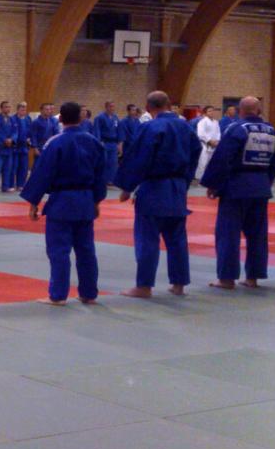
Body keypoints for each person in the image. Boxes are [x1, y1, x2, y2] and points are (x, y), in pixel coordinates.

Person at [20, 101, 107, 306]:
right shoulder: (94, 142)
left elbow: (43, 173)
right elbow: (101, 175)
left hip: (62, 201)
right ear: (81, 117)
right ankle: (89, 293)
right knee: (86, 249)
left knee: (59, 250)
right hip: (85, 200)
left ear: (60, 118)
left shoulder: (55, 143)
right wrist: (97, 200)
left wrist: (34, 202)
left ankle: (58, 295)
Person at [114, 91, 200, 298]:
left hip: (154, 187)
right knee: (177, 238)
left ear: (148, 107)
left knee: (147, 238)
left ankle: (144, 286)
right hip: (177, 188)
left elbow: (139, 159)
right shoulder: (186, 127)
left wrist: (127, 187)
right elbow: (196, 153)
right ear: (169, 104)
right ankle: (179, 284)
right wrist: (185, 180)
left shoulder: (150, 127)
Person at [200, 96, 275, 290]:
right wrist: (266, 182)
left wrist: (213, 184)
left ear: (240, 111)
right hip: (261, 187)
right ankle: (253, 277)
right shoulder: (272, 131)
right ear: (259, 111)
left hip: (236, 187)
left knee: (228, 233)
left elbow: (223, 158)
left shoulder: (236, 129)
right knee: (257, 234)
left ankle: (227, 279)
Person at [0, 101, 17, 193]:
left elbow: (15, 132)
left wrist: (11, 139)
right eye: (5, 107)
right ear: (1, 108)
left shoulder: (12, 119)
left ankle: (5, 186)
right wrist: (4, 140)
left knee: (7, 169)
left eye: (9, 107)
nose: (8, 109)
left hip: (9, 148)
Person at [95, 101, 121, 184]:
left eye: (113, 106)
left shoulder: (115, 117)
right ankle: (103, 179)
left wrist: (119, 143)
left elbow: (119, 130)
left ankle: (111, 179)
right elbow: (97, 130)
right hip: (104, 142)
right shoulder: (99, 117)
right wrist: (99, 141)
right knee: (104, 161)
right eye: (110, 106)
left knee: (113, 162)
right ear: (106, 107)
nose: (112, 108)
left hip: (113, 143)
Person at [195, 105, 222, 182]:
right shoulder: (202, 122)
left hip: (214, 144)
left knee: (212, 162)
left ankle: (209, 178)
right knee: (202, 162)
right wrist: (209, 141)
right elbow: (201, 134)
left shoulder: (216, 122)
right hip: (205, 144)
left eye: (213, 111)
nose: (212, 112)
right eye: (209, 111)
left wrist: (217, 141)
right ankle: (199, 178)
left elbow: (218, 132)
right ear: (205, 113)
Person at [13, 101, 31, 189]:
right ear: (17, 110)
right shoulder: (13, 119)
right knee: (15, 166)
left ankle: (21, 184)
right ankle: (11, 184)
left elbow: (30, 130)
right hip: (16, 146)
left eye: (25, 109)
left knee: (24, 167)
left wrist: (29, 139)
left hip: (24, 146)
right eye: (22, 109)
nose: (24, 111)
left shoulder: (28, 119)